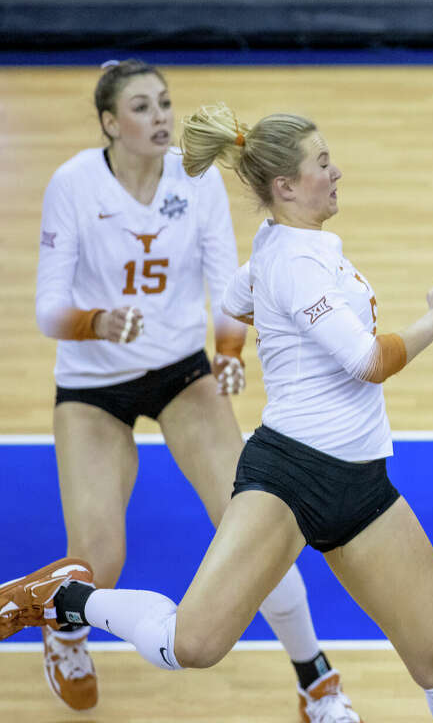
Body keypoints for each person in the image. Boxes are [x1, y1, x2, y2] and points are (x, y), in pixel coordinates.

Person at [8, 102, 433, 723]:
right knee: (192, 644)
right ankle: (67, 598)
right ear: (286, 186)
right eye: (323, 163)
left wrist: (260, 345)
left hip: (362, 483)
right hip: (289, 479)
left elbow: (238, 298)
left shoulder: (282, 248)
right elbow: (369, 362)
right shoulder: (295, 262)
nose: (337, 171)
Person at [32, 60, 358, 721]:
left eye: (165, 103)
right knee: (99, 559)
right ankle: (65, 629)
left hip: (181, 372)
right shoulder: (71, 183)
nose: (160, 118)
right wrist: (97, 322)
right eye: (143, 107)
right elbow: (47, 310)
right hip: (93, 383)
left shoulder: (195, 175)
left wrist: (229, 352)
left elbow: (226, 281)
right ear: (108, 123)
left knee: (255, 526)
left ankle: (314, 676)